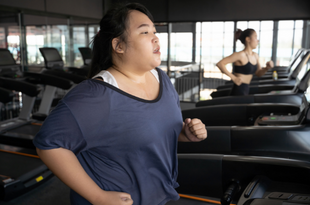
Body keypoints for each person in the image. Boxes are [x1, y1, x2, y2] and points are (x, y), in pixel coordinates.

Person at [34, 3, 207, 205]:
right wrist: (97, 196)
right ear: (119, 46)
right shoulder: (95, 95)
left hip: (158, 196)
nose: (155, 37)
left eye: (154, 31)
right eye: (144, 31)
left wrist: (184, 134)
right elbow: (48, 144)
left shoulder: (162, 79)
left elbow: (153, 132)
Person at [216, 28, 274, 96]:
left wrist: (266, 68)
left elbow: (258, 73)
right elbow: (220, 64)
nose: (257, 40)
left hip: (247, 88)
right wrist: (234, 78)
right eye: (255, 37)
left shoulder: (255, 55)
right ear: (248, 39)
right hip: (238, 90)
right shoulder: (240, 55)